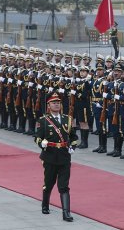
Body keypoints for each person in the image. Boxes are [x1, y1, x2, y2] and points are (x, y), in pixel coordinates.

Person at [34, 93, 79, 222]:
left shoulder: (68, 119)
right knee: (49, 183)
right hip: (50, 155)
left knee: (64, 186)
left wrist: (73, 147)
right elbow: (37, 137)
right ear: (48, 105)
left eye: (58, 102)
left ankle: (66, 213)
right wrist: (41, 143)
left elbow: (73, 137)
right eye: (53, 103)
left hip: (64, 156)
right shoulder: (43, 120)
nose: (56, 104)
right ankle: (45, 204)